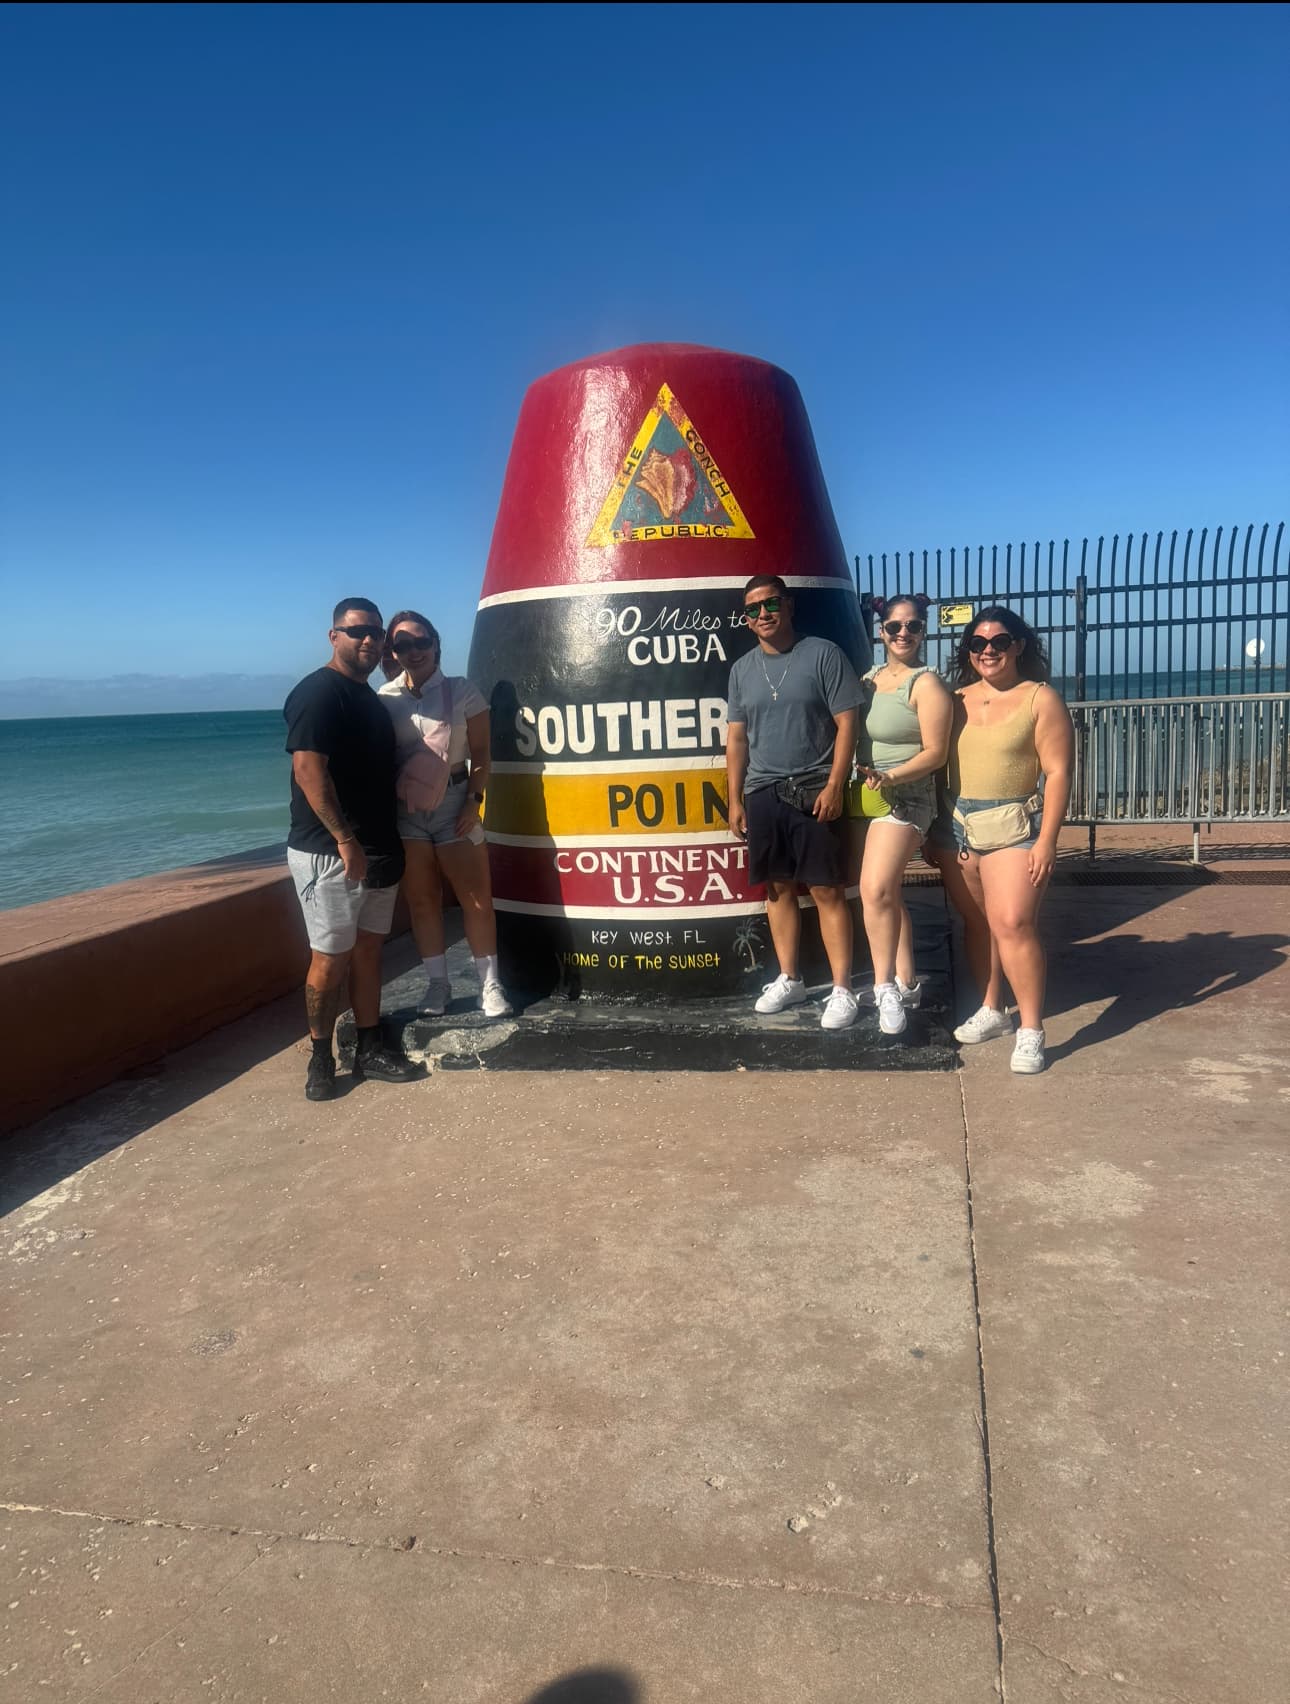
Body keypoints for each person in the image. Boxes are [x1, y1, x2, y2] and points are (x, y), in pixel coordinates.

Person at [284, 599, 424, 1102]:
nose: (367, 639)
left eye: (375, 633)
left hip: (379, 849)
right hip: (331, 853)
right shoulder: (318, 693)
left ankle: (369, 1046)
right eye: (356, 631)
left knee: (368, 952)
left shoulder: (367, 696)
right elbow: (308, 771)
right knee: (330, 959)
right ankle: (321, 1057)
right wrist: (345, 840)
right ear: (333, 636)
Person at [726, 574, 863, 1030]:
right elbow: (738, 739)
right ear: (746, 620)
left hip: (813, 789)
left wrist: (835, 785)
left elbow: (848, 724)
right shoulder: (743, 669)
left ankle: (842, 989)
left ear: (787, 606)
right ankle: (790, 978)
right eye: (752, 609)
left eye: (769, 604)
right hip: (763, 793)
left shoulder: (824, 654)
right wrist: (736, 799)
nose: (762, 615)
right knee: (777, 888)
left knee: (826, 890)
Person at [947, 605, 1074, 1074]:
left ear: (1018, 645)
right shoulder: (955, 698)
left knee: (1014, 923)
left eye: (999, 642)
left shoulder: (1040, 699)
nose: (988, 651)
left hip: (1015, 828)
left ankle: (1031, 1030)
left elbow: (1058, 773)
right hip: (960, 827)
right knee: (980, 924)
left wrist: (1048, 842)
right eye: (977, 644)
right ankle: (991, 1008)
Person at [378, 611, 513, 1019]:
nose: (414, 651)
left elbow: (484, 754)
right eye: (402, 645)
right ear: (394, 652)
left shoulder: (462, 691)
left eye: (421, 642)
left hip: (456, 803)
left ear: (436, 644)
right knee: (422, 901)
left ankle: (490, 985)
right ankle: (438, 985)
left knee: (476, 898)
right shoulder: (385, 698)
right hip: (408, 812)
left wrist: (475, 801)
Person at [855, 595, 953, 1036]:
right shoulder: (870, 678)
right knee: (889, 892)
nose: (903, 635)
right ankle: (908, 979)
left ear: (923, 632)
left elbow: (936, 753)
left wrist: (890, 775)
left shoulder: (927, 684)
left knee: (873, 890)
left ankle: (884, 988)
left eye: (913, 627)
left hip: (906, 799)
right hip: (870, 797)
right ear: (881, 632)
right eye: (894, 627)